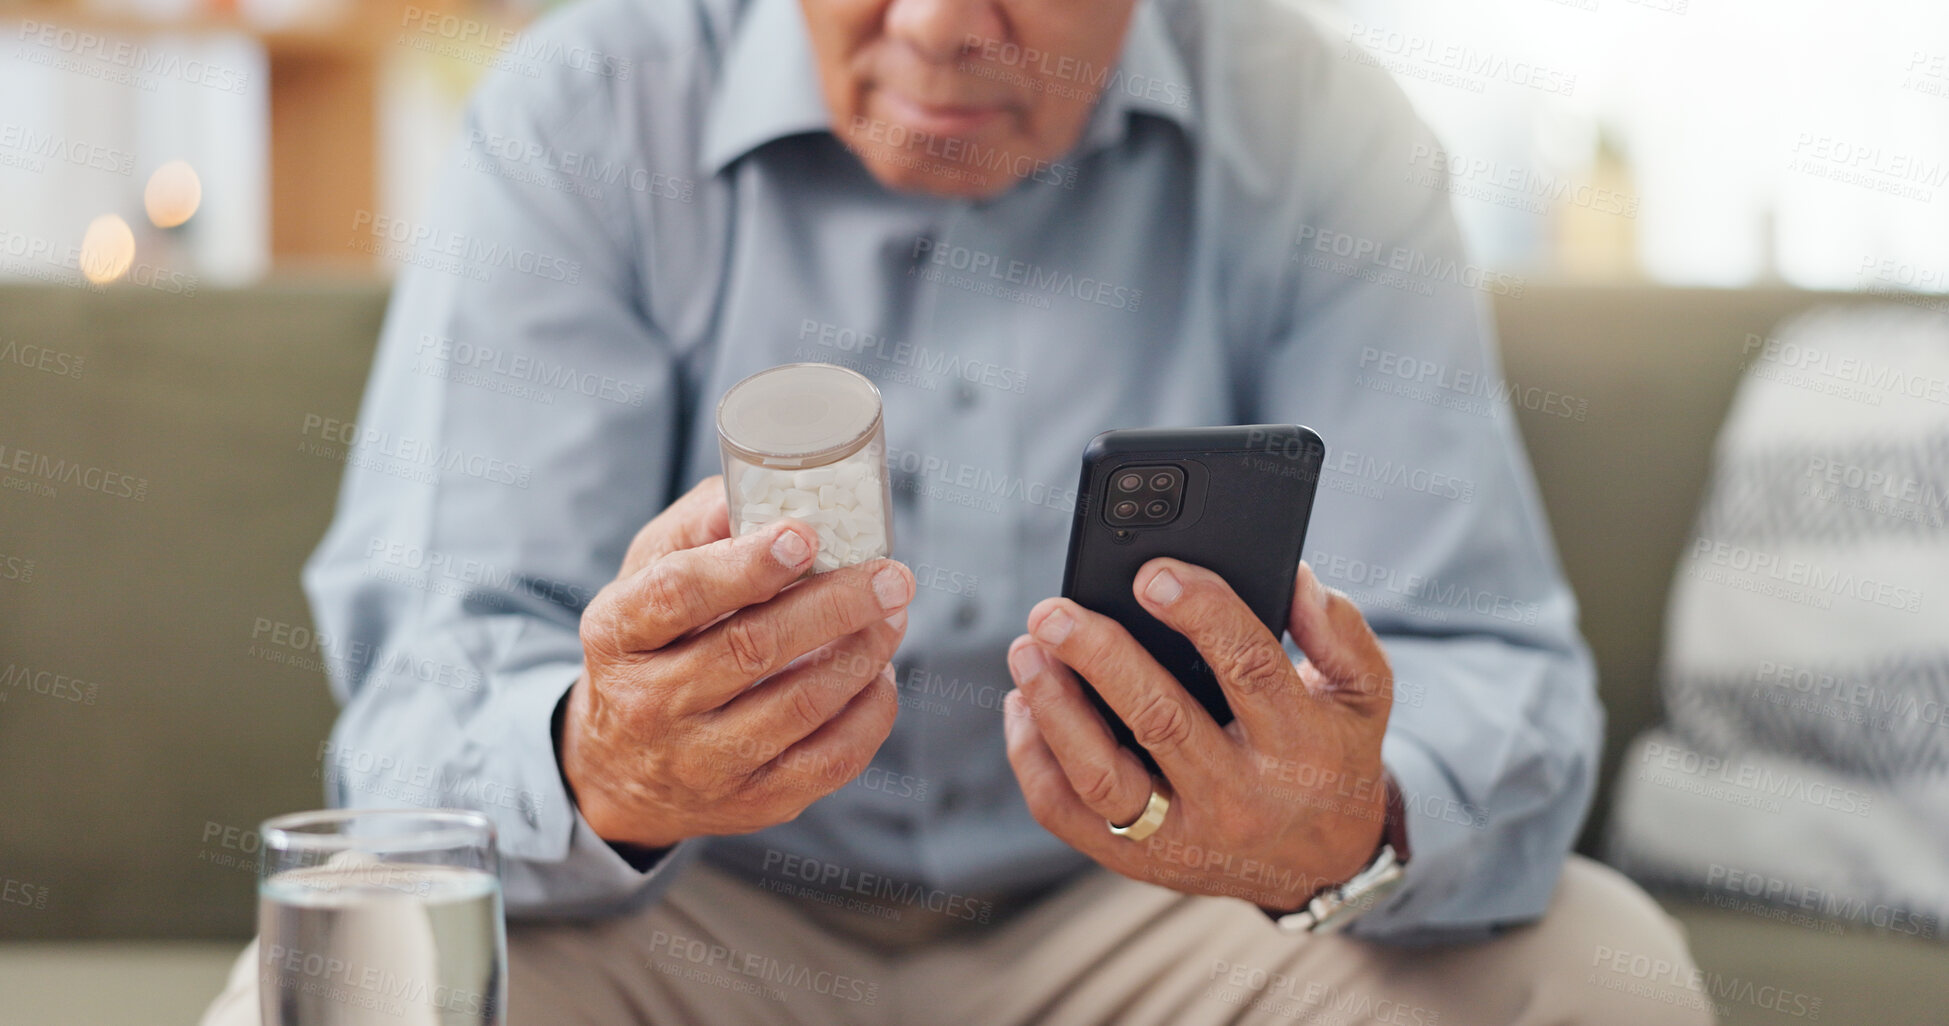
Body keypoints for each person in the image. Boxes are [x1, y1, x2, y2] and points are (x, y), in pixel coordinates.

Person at [205, 0, 1713, 1022]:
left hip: (1166, 916)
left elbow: (1490, 668)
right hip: (683, 917)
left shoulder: (1319, 124)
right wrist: (598, 757)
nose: (932, 21)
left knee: (1599, 970)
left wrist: (1349, 816)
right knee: (349, 974)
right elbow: (414, 713)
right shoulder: (581, 111)